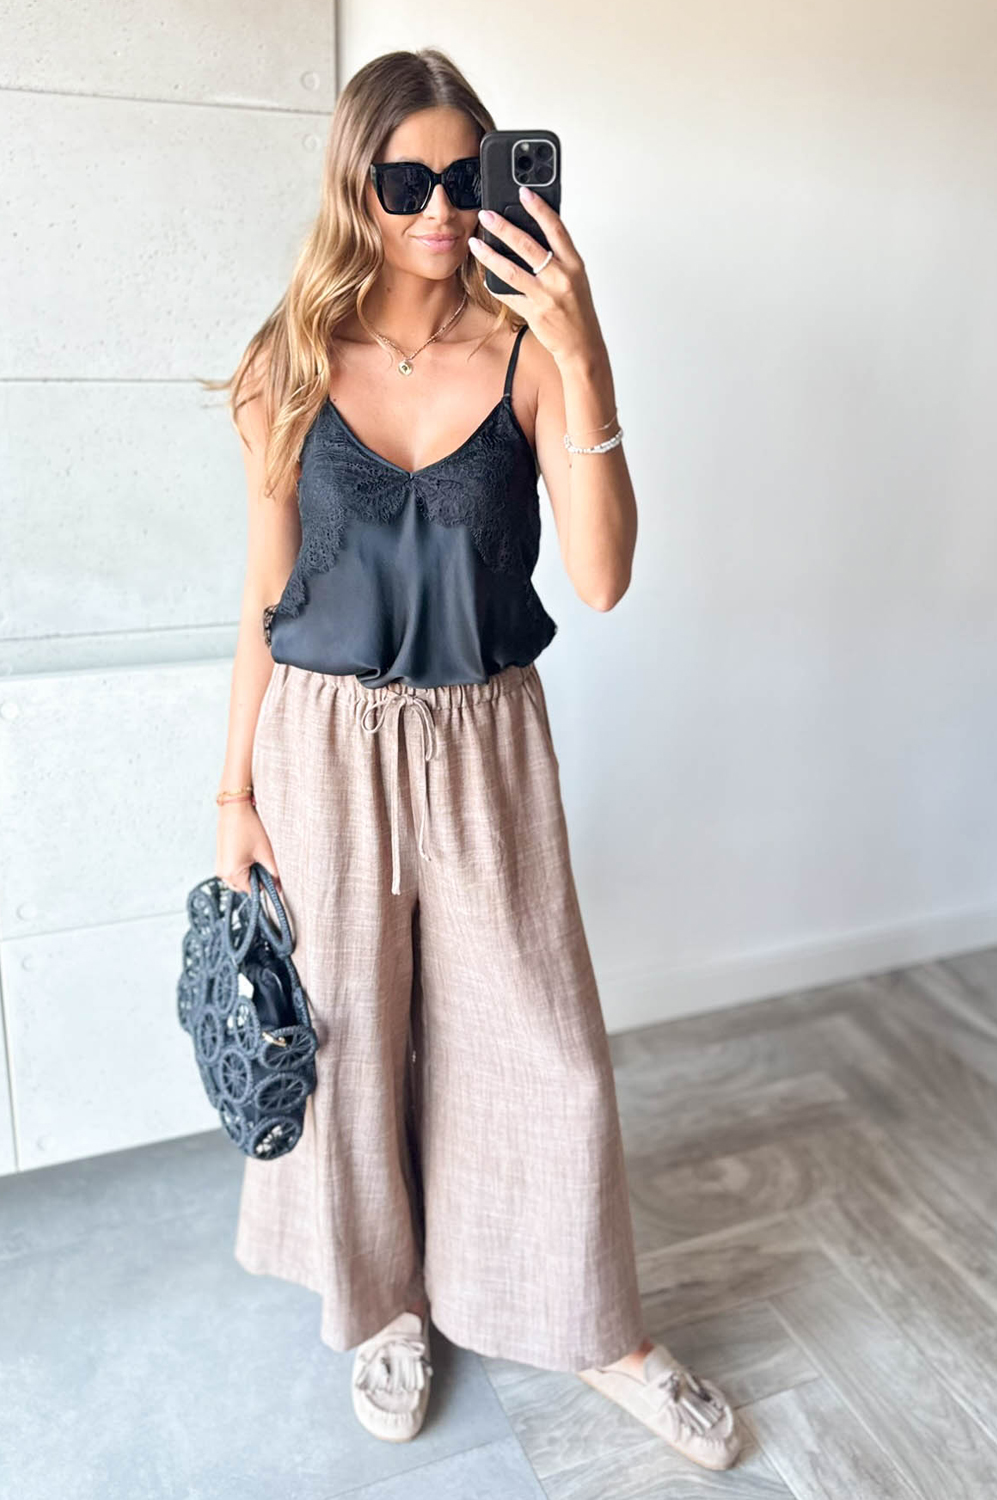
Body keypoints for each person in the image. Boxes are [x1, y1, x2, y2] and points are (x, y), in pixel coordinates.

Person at [208, 47, 741, 1472]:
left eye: (463, 177)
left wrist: (584, 344)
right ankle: (383, 1306)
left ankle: (597, 1329)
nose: (438, 208)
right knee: (349, 1047)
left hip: (484, 739)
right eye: (404, 182)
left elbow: (605, 579)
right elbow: (261, 598)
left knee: (541, 1050)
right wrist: (233, 793)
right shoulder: (286, 363)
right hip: (321, 747)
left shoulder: (526, 354)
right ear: (356, 188)